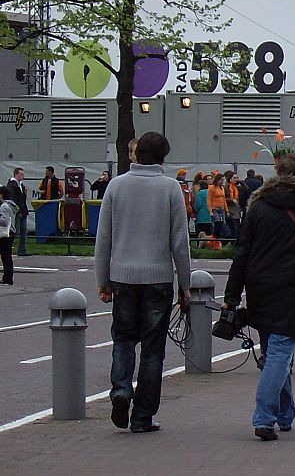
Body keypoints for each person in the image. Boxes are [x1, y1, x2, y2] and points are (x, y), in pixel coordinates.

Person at [223, 152, 295, 441]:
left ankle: (285, 413)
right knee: (280, 350)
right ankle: (264, 417)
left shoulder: (258, 206)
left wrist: (232, 294)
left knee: (273, 349)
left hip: (259, 283)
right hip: (294, 284)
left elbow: (242, 252)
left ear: (276, 173)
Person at [95, 131, 191, 434]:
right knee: (152, 349)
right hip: (158, 278)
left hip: (122, 276)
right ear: (163, 157)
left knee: (123, 339)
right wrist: (184, 283)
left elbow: (103, 239)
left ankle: (121, 390)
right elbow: (180, 241)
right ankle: (143, 416)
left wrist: (103, 280)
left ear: (135, 154)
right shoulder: (170, 188)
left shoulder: (116, 186)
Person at [0, 187, 18, 285]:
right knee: (7, 256)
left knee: (5, 257)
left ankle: (7, 278)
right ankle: (7, 277)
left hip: (5, 233)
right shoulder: (11, 205)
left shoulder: (4, 206)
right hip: (11, 232)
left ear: (2, 194)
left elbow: (4, 221)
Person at [7, 168, 30, 256]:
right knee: (15, 230)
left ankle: (22, 250)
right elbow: (14, 198)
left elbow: (22, 199)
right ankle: (7, 246)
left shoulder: (21, 186)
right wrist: (18, 210)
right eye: (21, 174)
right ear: (16, 174)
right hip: (17, 211)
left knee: (23, 230)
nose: (23, 176)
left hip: (23, 210)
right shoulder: (12, 185)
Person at [208, 173, 229, 238]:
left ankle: (219, 238)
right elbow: (208, 199)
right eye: (221, 180)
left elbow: (224, 199)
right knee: (217, 224)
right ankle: (214, 238)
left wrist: (226, 210)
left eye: (223, 180)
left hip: (221, 209)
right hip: (215, 209)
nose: (222, 181)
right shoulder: (212, 188)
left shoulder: (222, 188)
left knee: (222, 224)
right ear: (217, 180)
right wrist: (210, 211)